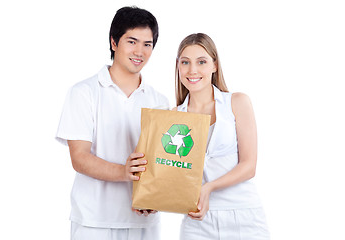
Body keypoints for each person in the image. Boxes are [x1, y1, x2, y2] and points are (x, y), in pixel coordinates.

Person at [56, 6, 168, 240]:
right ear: (114, 42)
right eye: (132, 41)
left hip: (143, 222)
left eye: (147, 44)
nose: (140, 51)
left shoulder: (159, 101)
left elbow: (162, 164)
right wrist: (124, 172)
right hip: (93, 221)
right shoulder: (84, 92)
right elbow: (80, 158)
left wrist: (156, 197)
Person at [174, 33, 270, 239]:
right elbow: (173, 174)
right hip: (197, 222)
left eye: (201, 62)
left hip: (244, 216)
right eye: (185, 62)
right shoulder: (173, 117)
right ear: (178, 67)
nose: (192, 70)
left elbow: (249, 166)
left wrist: (209, 187)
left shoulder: (237, 103)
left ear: (215, 65)